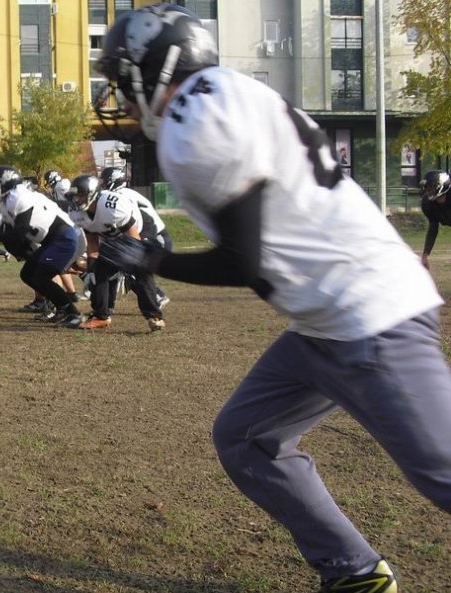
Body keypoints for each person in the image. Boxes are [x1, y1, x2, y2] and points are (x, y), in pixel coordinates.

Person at [97, 4, 451, 592]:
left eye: (122, 78)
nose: (119, 97)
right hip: (327, 317)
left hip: (369, 313)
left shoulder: (195, 124)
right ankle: (354, 572)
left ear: (156, 68)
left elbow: (249, 265)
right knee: (246, 437)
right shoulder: (229, 89)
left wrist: (153, 260)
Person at [0, 165, 85, 328]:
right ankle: (61, 308)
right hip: (52, 239)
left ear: (4, 182)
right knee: (28, 273)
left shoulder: (19, 196)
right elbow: (12, 229)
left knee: (41, 276)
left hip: (63, 236)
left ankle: (72, 312)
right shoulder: (10, 198)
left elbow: (21, 230)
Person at [66, 175, 165, 331]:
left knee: (141, 271)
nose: (77, 199)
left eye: (81, 195)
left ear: (93, 193)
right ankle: (101, 316)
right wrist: (92, 268)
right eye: (76, 195)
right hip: (115, 238)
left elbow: (133, 236)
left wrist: (131, 264)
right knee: (99, 270)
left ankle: (154, 316)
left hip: (140, 230)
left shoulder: (111, 206)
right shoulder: (78, 213)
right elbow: (92, 241)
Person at [99, 165, 170, 310]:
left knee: (129, 267)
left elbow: (142, 222)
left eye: (104, 181)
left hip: (154, 235)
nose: (102, 185)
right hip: (148, 233)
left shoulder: (122, 196)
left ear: (112, 180)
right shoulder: (123, 193)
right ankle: (108, 307)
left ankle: (157, 297)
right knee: (116, 265)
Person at [419, 170, 451, 270]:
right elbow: (433, 228)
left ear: (442, 185)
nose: (428, 190)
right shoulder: (428, 204)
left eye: (431, 187)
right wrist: (425, 255)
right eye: (427, 187)